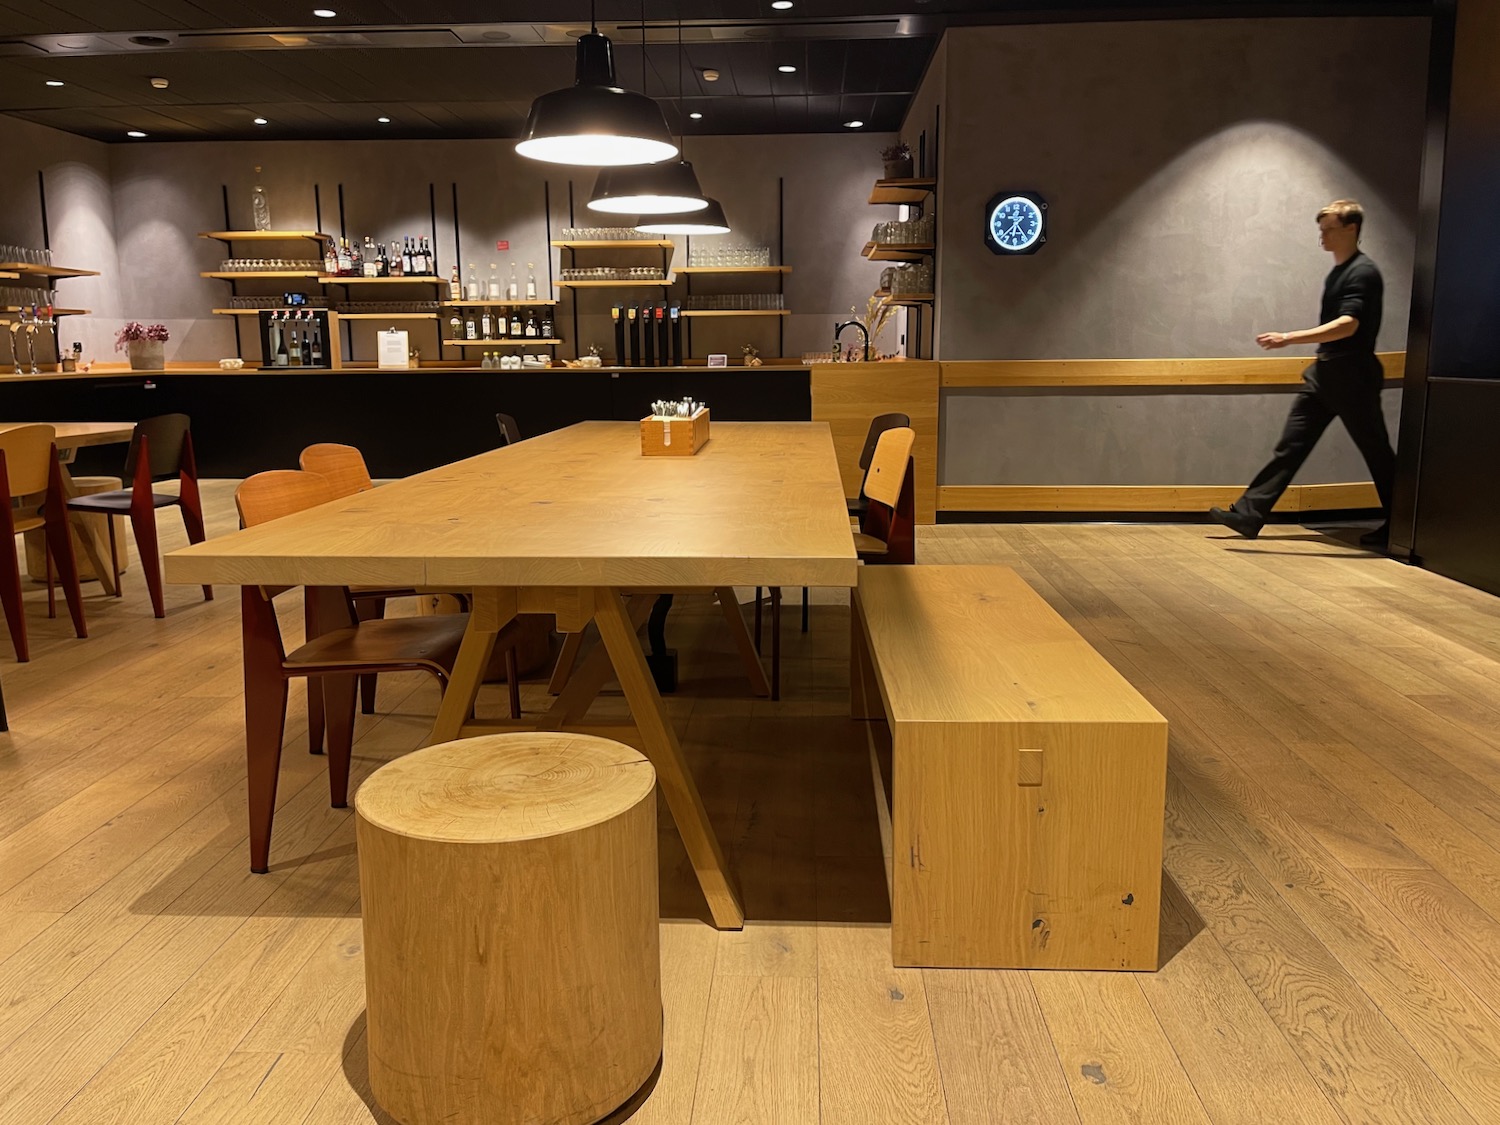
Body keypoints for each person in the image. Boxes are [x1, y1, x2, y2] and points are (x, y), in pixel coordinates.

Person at [1210, 199, 1396, 548]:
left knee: (1377, 453)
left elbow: (1348, 325)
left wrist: (1288, 338)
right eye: (1321, 229)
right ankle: (1250, 513)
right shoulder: (1340, 272)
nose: (1322, 236)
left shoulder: (1363, 272)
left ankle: (1405, 524)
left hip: (1353, 377)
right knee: (1291, 447)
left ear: (1351, 229)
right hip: (1326, 375)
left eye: (1329, 229)